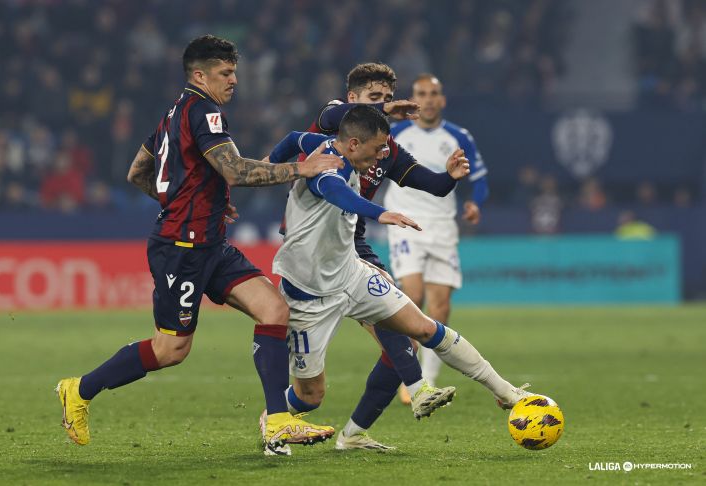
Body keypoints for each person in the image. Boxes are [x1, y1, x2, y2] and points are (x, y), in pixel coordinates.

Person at [55, 35, 343, 449]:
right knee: (171, 350)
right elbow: (235, 171)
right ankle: (79, 390)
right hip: (182, 248)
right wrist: (303, 167)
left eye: (234, 72)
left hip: (209, 240)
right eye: (225, 73)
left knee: (274, 309)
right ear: (199, 75)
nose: (234, 80)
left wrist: (194, 198)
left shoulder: (172, 113)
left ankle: (279, 419)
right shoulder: (204, 111)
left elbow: (138, 172)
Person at [268, 105, 534, 454]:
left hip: (351, 272)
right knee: (311, 395)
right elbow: (338, 193)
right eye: (377, 148)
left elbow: (290, 139)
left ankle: (506, 392)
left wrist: (270, 166)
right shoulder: (325, 165)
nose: (382, 155)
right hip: (308, 293)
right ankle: (273, 419)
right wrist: (382, 213)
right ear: (351, 143)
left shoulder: (335, 145)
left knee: (423, 328)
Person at [265, 63, 471, 453]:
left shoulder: (386, 148)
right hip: (316, 250)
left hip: (352, 244)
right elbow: (300, 134)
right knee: (391, 329)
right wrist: (269, 168)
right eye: (374, 99)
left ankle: (356, 431)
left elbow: (433, 185)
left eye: (387, 99)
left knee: (400, 341)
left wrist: (450, 176)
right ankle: (416, 388)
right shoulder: (332, 125)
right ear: (352, 99)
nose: (383, 105)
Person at [384, 73, 489, 398]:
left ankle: (427, 378)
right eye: (421, 94)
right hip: (406, 222)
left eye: (434, 94)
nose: (428, 99)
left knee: (440, 304)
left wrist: (475, 202)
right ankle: (409, 376)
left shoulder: (459, 136)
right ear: (413, 99)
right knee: (412, 296)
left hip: (443, 226)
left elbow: (481, 178)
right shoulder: (395, 132)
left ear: (442, 100)